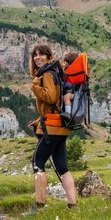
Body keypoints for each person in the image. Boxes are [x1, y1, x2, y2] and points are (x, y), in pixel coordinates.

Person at [28, 44, 77, 210]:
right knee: (62, 167)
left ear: (49, 56)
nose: (37, 57)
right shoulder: (56, 72)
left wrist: (35, 87)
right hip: (60, 126)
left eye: (41, 54)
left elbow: (50, 98)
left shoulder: (48, 73)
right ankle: (72, 205)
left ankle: (39, 206)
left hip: (52, 127)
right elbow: (55, 105)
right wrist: (37, 122)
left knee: (37, 163)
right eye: (35, 55)